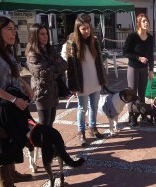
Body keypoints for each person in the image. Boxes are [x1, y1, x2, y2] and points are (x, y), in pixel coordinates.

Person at [0, 16, 34, 187]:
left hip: (10, 103)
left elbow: (13, 75)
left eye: (14, 29)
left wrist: (25, 85)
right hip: (3, 106)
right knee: (3, 146)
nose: (13, 33)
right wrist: (14, 100)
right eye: (9, 29)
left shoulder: (8, 51)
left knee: (12, 140)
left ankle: (12, 174)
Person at [64, 14, 107, 146]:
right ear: (78, 29)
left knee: (94, 106)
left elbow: (99, 62)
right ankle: (81, 132)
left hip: (95, 80)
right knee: (82, 108)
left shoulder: (94, 41)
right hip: (82, 82)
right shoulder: (72, 43)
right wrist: (73, 85)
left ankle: (93, 128)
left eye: (88, 28)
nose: (86, 31)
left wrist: (103, 78)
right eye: (83, 29)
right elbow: (70, 67)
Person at [26, 23, 68, 127]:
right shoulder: (33, 54)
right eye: (42, 34)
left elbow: (64, 64)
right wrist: (56, 67)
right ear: (35, 36)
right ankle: (44, 142)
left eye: (46, 34)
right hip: (42, 92)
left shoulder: (50, 49)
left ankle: (50, 142)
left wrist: (51, 67)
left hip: (53, 91)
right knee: (44, 122)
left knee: (51, 120)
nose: (45, 36)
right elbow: (44, 74)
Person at [123, 13, 154, 127]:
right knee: (132, 93)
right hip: (133, 68)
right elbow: (125, 52)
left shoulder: (150, 38)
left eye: (147, 21)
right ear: (139, 24)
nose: (146, 23)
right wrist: (138, 58)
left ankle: (142, 115)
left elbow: (151, 54)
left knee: (142, 93)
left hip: (144, 69)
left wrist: (151, 69)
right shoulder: (132, 36)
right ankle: (131, 116)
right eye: (143, 21)